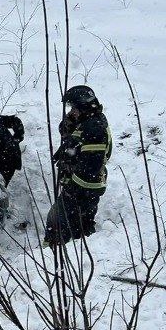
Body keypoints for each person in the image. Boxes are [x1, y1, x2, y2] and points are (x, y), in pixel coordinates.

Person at [45, 84, 112, 247]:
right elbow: (70, 136)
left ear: (83, 106)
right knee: (79, 225)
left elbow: (90, 166)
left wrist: (71, 175)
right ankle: (79, 249)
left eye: (73, 107)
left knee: (58, 222)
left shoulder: (94, 128)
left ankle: (51, 253)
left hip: (84, 186)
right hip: (81, 185)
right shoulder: (87, 120)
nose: (70, 111)